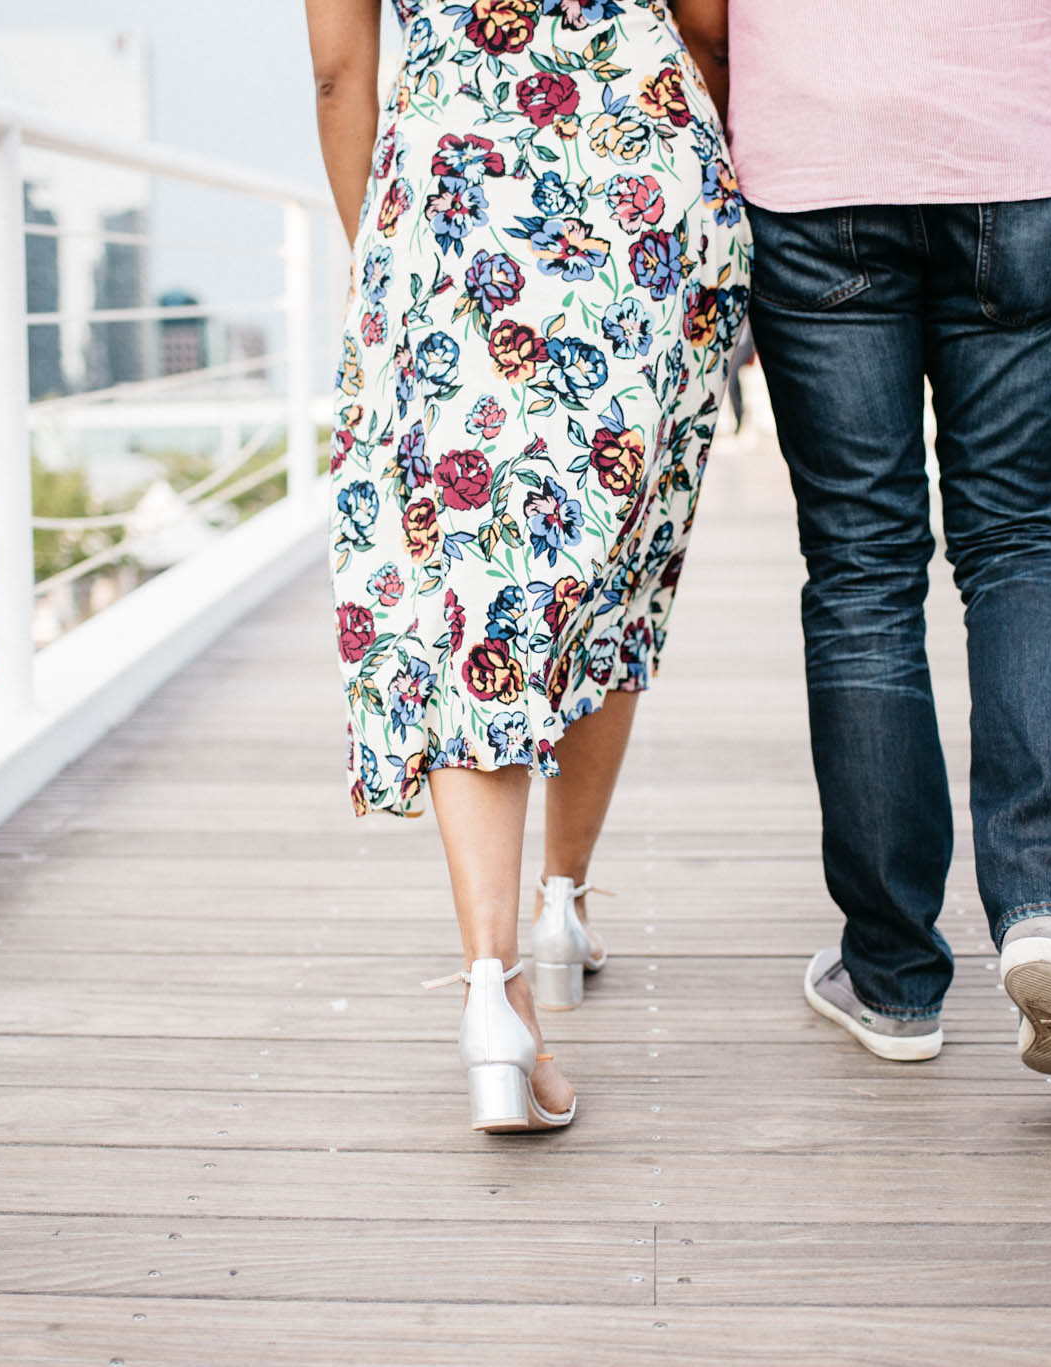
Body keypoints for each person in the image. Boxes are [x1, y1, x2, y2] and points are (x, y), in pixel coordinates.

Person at [684, 0, 1051, 1075]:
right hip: (1019, 156)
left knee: (860, 568)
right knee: (1018, 537)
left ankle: (891, 979)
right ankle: (1048, 911)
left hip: (811, 167)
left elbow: (701, 12)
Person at [305, 0, 752, 1132]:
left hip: (448, 187)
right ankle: (561, 901)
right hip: (634, 176)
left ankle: (494, 985)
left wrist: (386, 258)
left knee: (475, 577)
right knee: (608, 565)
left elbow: (336, 73)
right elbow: (706, 26)